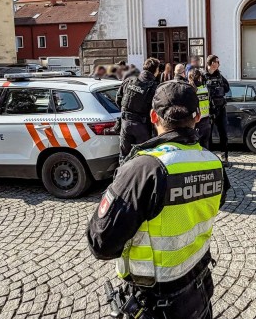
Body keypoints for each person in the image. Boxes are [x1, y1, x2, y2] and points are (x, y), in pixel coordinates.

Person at [88, 81, 229, 319]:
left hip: (155, 301)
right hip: (199, 288)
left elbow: (101, 242)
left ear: (154, 116)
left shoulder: (145, 168)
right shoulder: (213, 163)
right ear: (197, 117)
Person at [115, 58, 161, 162]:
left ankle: (123, 176)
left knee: (124, 157)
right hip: (142, 127)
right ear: (156, 70)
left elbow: (118, 100)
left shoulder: (129, 80)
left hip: (125, 124)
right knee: (144, 157)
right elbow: (156, 109)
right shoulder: (154, 87)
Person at [204, 55, 230, 165]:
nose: (218, 65)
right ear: (210, 64)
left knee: (223, 133)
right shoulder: (203, 76)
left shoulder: (220, 76)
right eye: (216, 62)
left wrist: (221, 87)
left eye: (218, 63)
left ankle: (224, 157)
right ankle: (208, 157)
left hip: (220, 109)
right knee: (207, 135)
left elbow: (227, 88)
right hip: (208, 110)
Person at [189, 69, 211, 149]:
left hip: (196, 121)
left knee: (195, 145)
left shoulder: (191, 89)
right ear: (200, 77)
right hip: (206, 120)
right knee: (205, 144)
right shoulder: (205, 88)